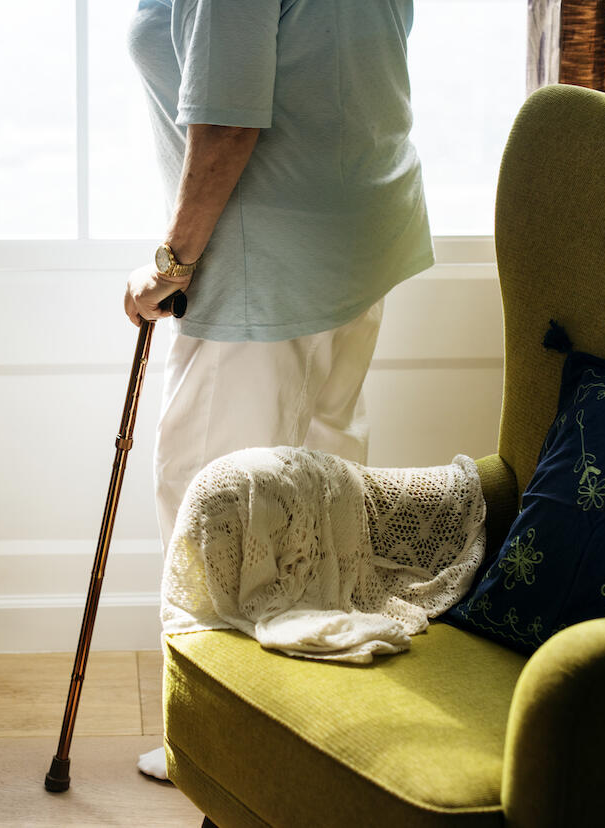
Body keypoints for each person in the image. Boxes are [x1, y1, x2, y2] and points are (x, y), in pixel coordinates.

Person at [125, 0, 432, 779]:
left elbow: (230, 125)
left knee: (213, 501)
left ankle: (224, 741)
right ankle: (312, 730)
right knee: (319, 492)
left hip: (266, 259)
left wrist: (171, 264)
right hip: (359, 230)